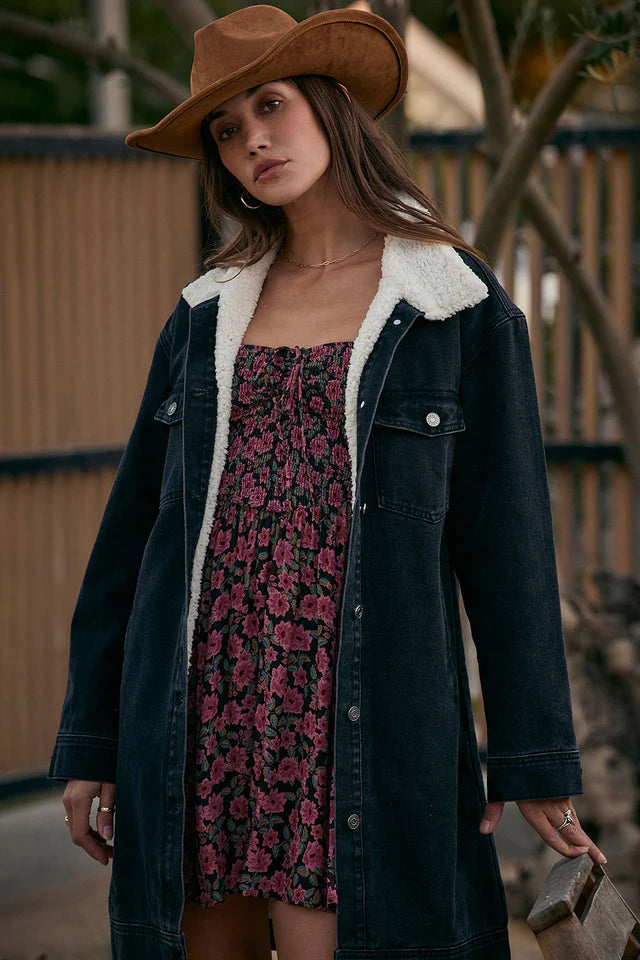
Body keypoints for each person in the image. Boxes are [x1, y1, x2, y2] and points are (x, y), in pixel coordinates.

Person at [48, 6, 606, 960]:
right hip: (195, 715)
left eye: (273, 105)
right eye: (227, 129)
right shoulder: (203, 314)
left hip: (350, 723)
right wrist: (93, 741)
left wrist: (533, 757)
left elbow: (508, 547)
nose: (253, 139)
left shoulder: (453, 306)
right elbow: (133, 539)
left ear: (335, 106)